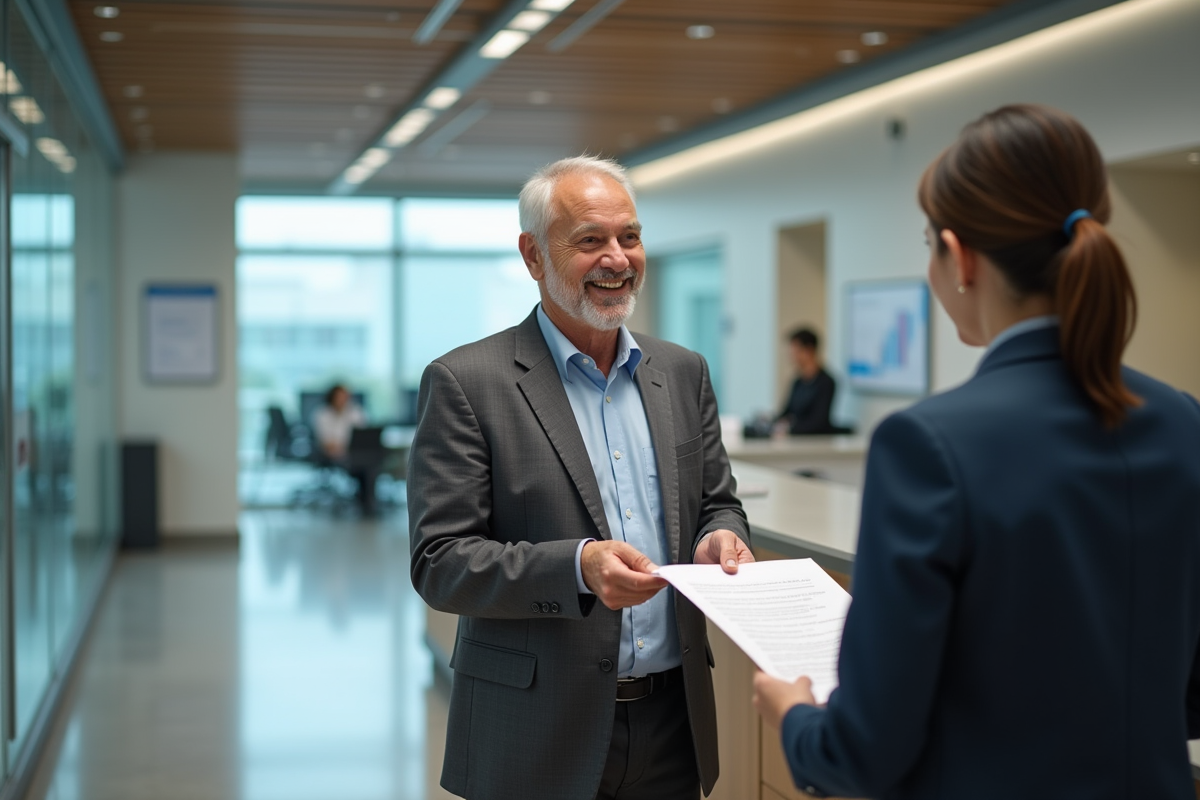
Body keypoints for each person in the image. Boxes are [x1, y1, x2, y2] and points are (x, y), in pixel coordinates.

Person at [753, 104, 1200, 799]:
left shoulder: (927, 445)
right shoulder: (1181, 421)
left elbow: (860, 753)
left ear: (959, 256)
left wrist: (795, 717)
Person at [408, 155, 753, 800]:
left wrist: (719, 536)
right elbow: (440, 562)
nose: (617, 259)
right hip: (535, 727)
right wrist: (577, 567)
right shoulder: (466, 383)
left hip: (672, 722)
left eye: (630, 236)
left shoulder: (683, 372)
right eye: (590, 240)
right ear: (533, 256)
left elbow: (717, 503)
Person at [311, 383, 376, 513]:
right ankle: (364, 502)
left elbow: (363, 435)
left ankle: (368, 503)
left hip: (355, 453)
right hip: (332, 455)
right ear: (332, 397)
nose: (344, 399)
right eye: (340, 396)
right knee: (359, 465)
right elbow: (326, 443)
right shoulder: (322, 415)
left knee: (370, 464)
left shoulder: (355, 412)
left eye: (346, 396)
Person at [775, 327, 836, 435]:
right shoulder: (798, 382)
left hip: (815, 439)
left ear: (809, 350)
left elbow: (819, 421)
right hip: (796, 437)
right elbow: (787, 412)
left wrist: (789, 430)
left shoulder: (826, 382)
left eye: (796, 350)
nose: (792, 355)